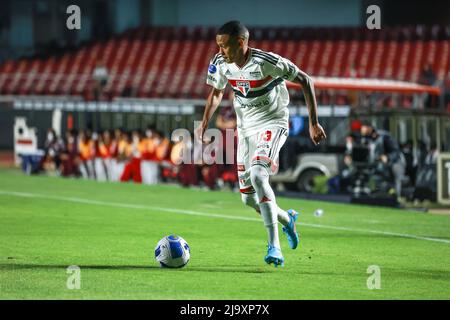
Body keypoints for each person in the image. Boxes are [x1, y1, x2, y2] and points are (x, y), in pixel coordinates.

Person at [197, 21, 326, 267]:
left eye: (225, 46)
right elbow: (216, 93)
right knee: (247, 199)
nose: (221, 51)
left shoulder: (267, 62)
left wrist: (313, 123)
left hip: (272, 123)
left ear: (241, 42)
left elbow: (305, 80)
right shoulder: (220, 63)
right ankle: (287, 219)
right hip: (245, 130)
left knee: (258, 175)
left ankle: (274, 246)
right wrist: (204, 123)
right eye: (219, 46)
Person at [360, 122, 406, 198]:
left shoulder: (384, 136)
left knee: (396, 174)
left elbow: (395, 151)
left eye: (364, 128)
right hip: (378, 164)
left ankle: (398, 197)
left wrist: (387, 157)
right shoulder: (366, 139)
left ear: (370, 128)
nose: (362, 130)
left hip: (395, 162)